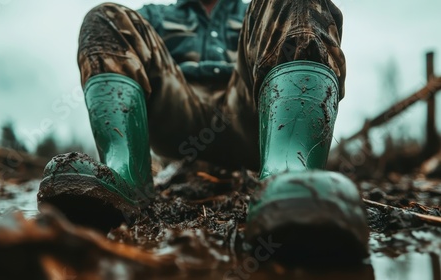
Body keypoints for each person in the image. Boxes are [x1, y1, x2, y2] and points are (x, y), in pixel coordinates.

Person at [38, 0, 369, 260]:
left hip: (252, 113)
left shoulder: (253, 10)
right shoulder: (156, 15)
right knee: (105, 18)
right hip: (180, 112)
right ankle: (124, 174)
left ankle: (289, 173)